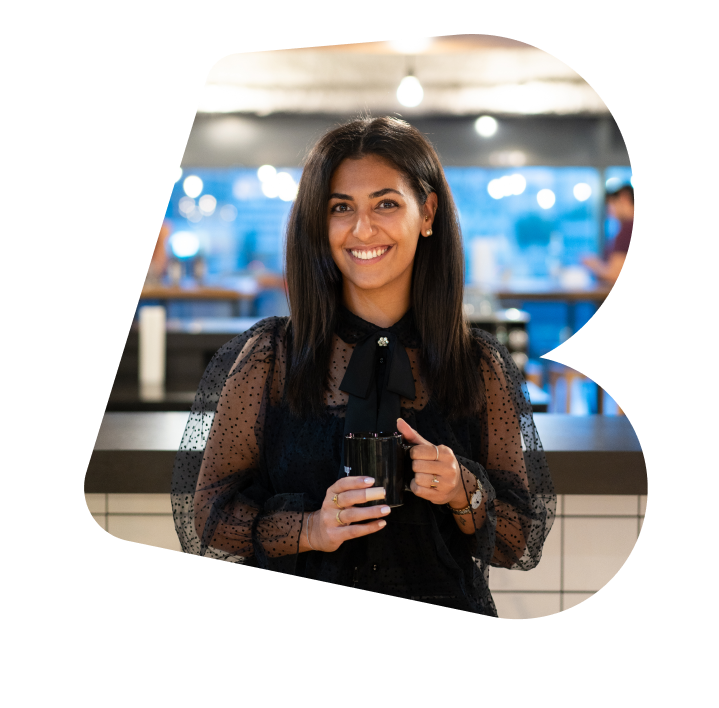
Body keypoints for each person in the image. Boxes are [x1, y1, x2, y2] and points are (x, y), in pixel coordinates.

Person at [171, 116, 556, 616]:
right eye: (340, 208)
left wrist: (464, 490)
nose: (362, 228)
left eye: (386, 203)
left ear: (428, 212)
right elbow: (206, 518)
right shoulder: (269, 357)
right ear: (318, 221)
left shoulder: (479, 365)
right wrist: (310, 528)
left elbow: (520, 540)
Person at [581, 184, 634, 284]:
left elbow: (616, 274)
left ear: (624, 198)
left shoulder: (628, 229)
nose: (610, 210)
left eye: (612, 204)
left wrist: (593, 265)